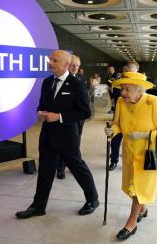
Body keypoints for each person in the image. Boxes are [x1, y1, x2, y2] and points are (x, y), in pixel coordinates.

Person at [15, 50, 99, 219]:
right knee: (45, 172)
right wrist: (39, 113)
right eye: (50, 59)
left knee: (78, 169)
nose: (50, 62)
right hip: (47, 136)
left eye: (54, 60)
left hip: (67, 138)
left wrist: (59, 117)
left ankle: (92, 199)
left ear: (65, 65)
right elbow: (41, 104)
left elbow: (84, 112)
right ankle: (38, 206)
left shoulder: (76, 84)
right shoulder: (47, 82)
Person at [105, 72, 157, 241]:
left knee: (138, 189)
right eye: (122, 89)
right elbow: (117, 124)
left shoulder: (153, 102)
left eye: (127, 89)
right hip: (129, 153)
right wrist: (112, 130)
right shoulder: (121, 102)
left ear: (139, 90)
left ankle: (131, 223)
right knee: (131, 186)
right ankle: (142, 209)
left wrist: (143, 135)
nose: (123, 93)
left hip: (148, 155)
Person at [56, 55, 86, 179]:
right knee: (63, 143)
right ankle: (60, 167)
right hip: (65, 119)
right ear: (67, 65)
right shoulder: (60, 79)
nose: (75, 68)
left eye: (77, 66)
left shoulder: (80, 78)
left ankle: (73, 164)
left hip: (79, 118)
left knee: (75, 143)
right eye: (72, 65)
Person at [109, 61, 140, 171]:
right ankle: (114, 160)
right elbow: (117, 95)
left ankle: (132, 162)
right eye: (127, 73)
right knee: (115, 138)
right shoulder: (119, 82)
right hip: (121, 114)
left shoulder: (141, 84)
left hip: (135, 118)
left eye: (133, 73)